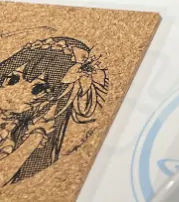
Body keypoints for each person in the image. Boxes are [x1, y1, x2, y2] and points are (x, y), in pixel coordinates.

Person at [0, 37, 106, 186]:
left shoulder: (17, 136)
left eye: (38, 89)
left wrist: (35, 139)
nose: (16, 92)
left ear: (50, 99)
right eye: (13, 79)